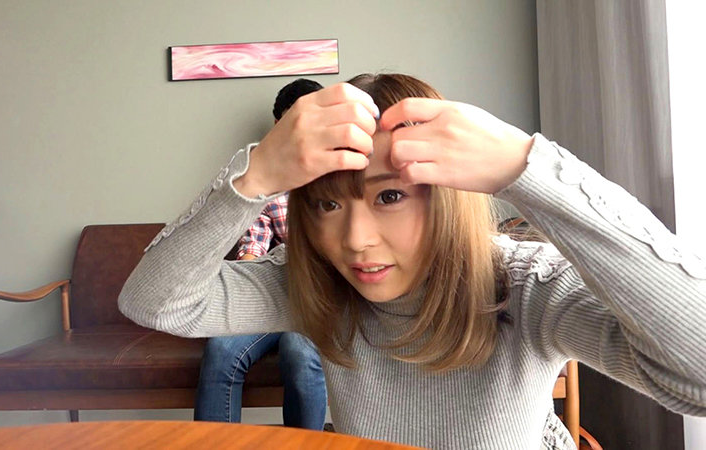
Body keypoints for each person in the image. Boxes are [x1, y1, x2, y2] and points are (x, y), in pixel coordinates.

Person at [119, 73, 706, 449]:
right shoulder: (320, 282)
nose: (355, 241)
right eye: (327, 204)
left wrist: (529, 167)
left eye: (389, 197)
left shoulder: (525, 286)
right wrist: (254, 176)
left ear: (445, 192)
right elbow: (156, 303)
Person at [193, 78, 327, 430]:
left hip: (322, 301)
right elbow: (252, 248)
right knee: (221, 349)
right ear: (279, 125)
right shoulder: (265, 181)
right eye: (292, 121)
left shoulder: (344, 174)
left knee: (299, 353)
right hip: (274, 295)